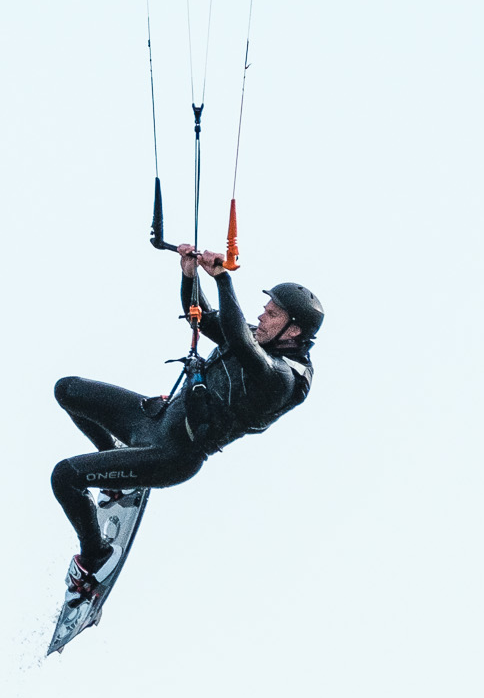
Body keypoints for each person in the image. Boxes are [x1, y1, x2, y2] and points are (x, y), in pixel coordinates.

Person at [51, 245, 322, 599]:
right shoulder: (260, 341)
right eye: (265, 309)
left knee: (65, 477)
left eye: (271, 314)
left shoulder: (282, 379)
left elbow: (238, 337)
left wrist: (223, 278)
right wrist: (190, 275)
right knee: (68, 391)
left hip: (171, 454)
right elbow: (202, 315)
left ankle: (94, 557)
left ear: (292, 331)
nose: (261, 316)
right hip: (154, 421)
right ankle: (119, 472)